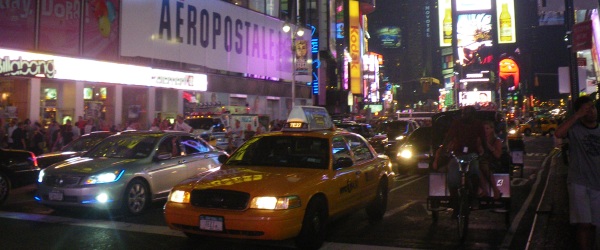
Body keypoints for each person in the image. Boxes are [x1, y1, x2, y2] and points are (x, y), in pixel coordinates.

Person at [554, 95, 600, 250]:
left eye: (592, 107)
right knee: (584, 224)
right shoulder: (575, 129)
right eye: (586, 110)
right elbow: (559, 133)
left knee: (594, 224)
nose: (591, 112)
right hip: (578, 182)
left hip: (597, 183)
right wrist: (577, 115)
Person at [432, 106, 485, 212]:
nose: (464, 116)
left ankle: (474, 198)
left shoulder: (478, 124)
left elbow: (483, 139)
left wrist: (484, 152)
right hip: (458, 155)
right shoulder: (457, 123)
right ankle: (454, 202)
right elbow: (449, 137)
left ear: (472, 115)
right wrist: (442, 151)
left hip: (472, 154)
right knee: (452, 178)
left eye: (467, 114)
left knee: (475, 171)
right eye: (463, 114)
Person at [478, 120, 502, 200]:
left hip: (493, 162)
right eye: (483, 129)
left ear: (492, 129)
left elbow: (498, 155)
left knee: (484, 165)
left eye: (487, 128)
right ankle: (484, 190)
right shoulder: (480, 140)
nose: (485, 131)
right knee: (477, 167)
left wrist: (489, 146)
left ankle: (495, 189)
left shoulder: (496, 141)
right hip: (481, 160)